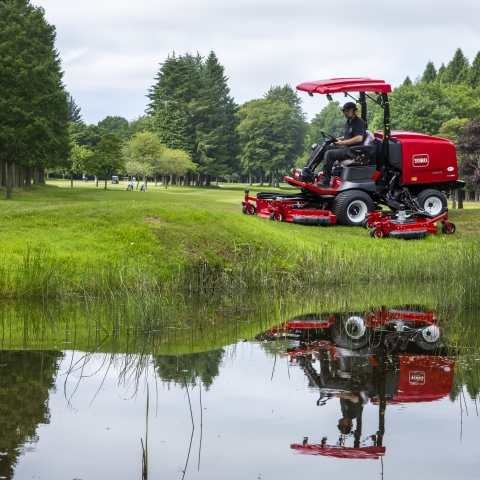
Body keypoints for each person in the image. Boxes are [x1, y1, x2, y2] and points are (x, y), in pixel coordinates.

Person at [317, 102, 366, 187]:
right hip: (345, 148)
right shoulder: (348, 122)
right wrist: (337, 139)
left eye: (348, 111)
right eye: (344, 111)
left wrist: (341, 143)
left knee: (329, 154)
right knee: (324, 147)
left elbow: (359, 138)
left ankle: (325, 182)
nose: (346, 113)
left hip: (352, 151)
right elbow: (347, 136)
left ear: (354, 111)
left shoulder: (359, 122)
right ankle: (309, 170)